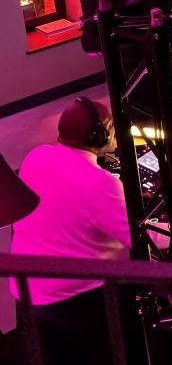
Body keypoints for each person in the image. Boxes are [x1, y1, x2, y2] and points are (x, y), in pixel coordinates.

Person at [10, 99, 129, 365]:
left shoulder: (36, 156)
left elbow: (67, 203)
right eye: (110, 126)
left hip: (28, 294)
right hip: (78, 303)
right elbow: (144, 236)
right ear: (98, 136)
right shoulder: (100, 184)